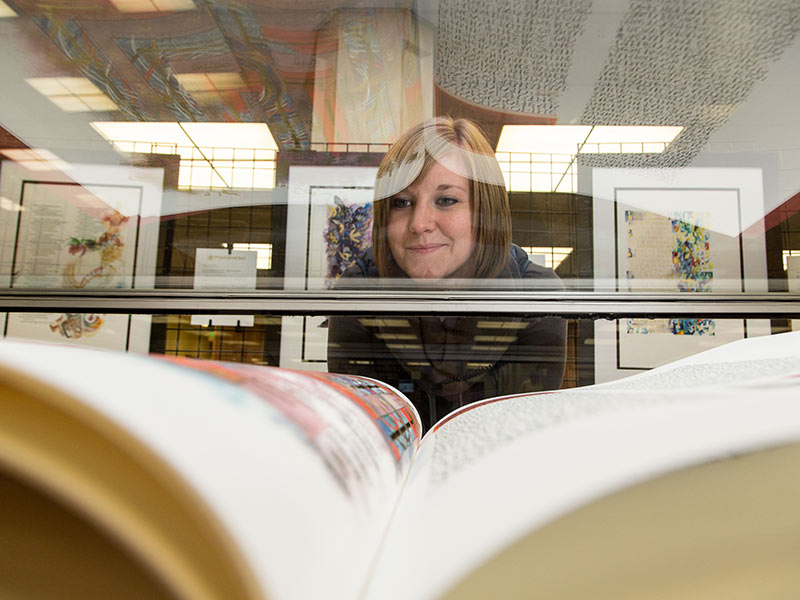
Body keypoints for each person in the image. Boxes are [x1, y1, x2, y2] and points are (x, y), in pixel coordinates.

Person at [327, 117, 566, 431]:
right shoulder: (358, 294)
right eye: (402, 202)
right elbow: (364, 433)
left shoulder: (536, 298)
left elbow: (525, 437)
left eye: (446, 200)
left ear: (485, 213)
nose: (419, 223)